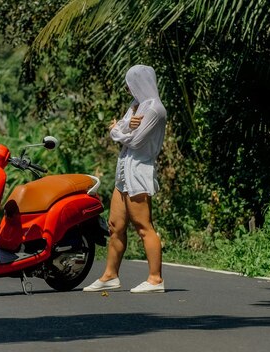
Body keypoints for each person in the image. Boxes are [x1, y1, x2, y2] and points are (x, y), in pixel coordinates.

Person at [83, 64, 166, 293]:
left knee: (143, 225)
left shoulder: (155, 110)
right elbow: (123, 127)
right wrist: (125, 127)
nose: (128, 89)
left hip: (139, 169)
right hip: (124, 169)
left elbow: (134, 141)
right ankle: (110, 275)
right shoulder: (136, 106)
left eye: (131, 84)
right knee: (115, 225)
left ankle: (155, 278)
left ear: (141, 83)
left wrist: (119, 131)